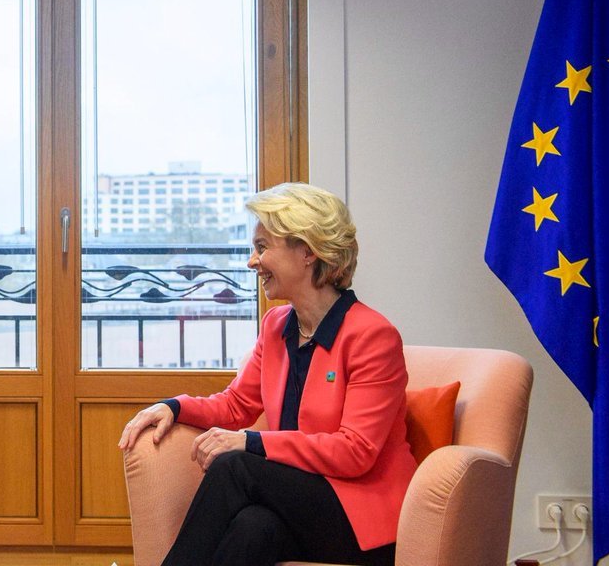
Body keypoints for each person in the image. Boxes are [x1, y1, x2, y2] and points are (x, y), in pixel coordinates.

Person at [118, 182, 417, 566]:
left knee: (234, 466)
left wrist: (252, 443)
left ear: (307, 251)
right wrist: (174, 407)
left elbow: (355, 452)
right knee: (252, 526)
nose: (252, 261)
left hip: (362, 519)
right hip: (301, 507)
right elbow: (236, 404)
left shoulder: (372, 335)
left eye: (262, 247)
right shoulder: (277, 325)